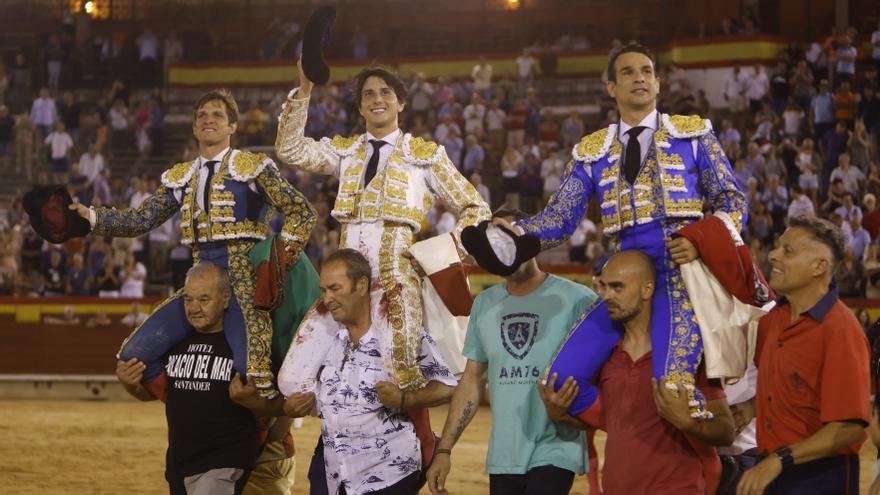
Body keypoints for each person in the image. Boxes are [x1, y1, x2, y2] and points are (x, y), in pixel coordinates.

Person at [482, 42, 747, 420]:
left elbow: (732, 200)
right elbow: (558, 220)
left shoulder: (693, 134)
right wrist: (513, 232)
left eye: (646, 71)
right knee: (559, 384)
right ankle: (631, 434)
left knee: (674, 391)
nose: (638, 78)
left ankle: (717, 464)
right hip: (622, 273)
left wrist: (701, 239)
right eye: (627, 72)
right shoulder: (592, 151)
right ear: (611, 88)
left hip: (681, 271)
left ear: (657, 84)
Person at [71, 89, 316, 398]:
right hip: (199, 280)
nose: (208, 119)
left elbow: (302, 211)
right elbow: (141, 220)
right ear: (194, 126)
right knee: (133, 355)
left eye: (217, 115)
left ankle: (272, 440)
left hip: (244, 280)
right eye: (201, 115)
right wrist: (91, 219)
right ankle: (189, 407)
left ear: (232, 127)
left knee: (253, 373)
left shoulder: (252, 167)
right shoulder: (181, 176)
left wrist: (278, 263)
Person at [275, 60, 490, 393]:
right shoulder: (345, 152)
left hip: (396, 280)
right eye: (368, 94)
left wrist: (445, 251)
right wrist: (304, 90)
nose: (377, 99)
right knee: (292, 381)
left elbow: (476, 208)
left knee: (398, 379)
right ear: (360, 106)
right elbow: (290, 149)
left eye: (386, 93)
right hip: (342, 283)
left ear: (401, 102)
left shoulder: (425, 156)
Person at [426, 209, 595, 495]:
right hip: (503, 454)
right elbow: (472, 380)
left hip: (556, 448)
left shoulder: (578, 300)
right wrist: (444, 450)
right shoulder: (485, 304)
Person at [538, 251, 735, 494]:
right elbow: (613, 424)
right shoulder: (605, 357)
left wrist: (690, 424)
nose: (606, 296)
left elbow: (726, 430)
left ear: (647, 289)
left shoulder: (685, 354)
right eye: (604, 286)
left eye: (617, 288)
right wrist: (559, 414)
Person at [282, 249, 456, 495]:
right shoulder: (323, 339)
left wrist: (407, 399)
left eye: (335, 288)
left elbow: (447, 386)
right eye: (323, 291)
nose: (327, 298)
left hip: (387, 474)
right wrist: (291, 409)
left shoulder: (400, 335)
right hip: (333, 473)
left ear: (362, 285)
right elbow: (322, 401)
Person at [736, 217, 871, 494]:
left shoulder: (841, 330)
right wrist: (749, 409)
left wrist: (780, 459)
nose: (772, 255)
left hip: (820, 478)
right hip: (772, 472)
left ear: (819, 267)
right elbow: (785, 388)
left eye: (789, 251)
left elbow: (849, 428)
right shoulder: (771, 322)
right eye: (777, 247)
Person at [116, 263, 261, 495]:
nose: (194, 308)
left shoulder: (241, 347)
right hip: (179, 462)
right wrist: (130, 385)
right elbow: (162, 396)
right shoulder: (173, 344)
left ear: (225, 299)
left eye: (204, 299)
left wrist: (254, 402)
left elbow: (273, 409)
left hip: (224, 459)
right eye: (188, 299)